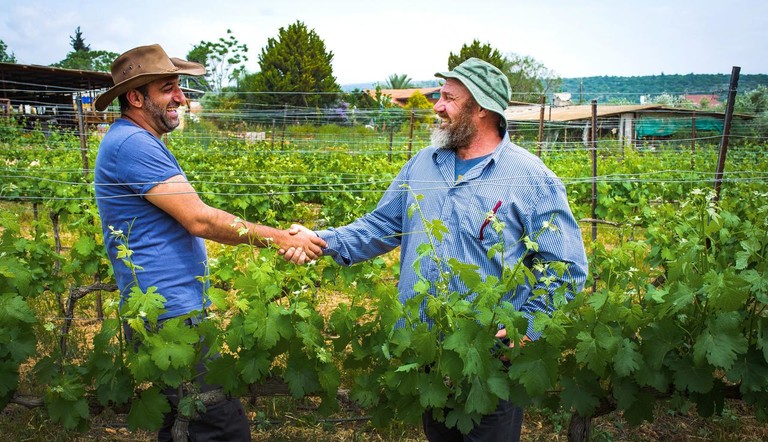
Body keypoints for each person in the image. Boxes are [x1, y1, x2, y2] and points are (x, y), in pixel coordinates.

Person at [287, 58, 588, 441]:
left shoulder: (531, 178)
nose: (437, 106)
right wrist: (321, 240)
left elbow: (566, 268)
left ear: (481, 108)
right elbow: (381, 225)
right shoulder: (423, 165)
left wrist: (525, 328)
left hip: (490, 363)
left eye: (448, 98)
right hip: (428, 356)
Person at [93, 44, 326, 441]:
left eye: (179, 88)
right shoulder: (133, 144)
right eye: (168, 89)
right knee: (222, 425)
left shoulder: (137, 140)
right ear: (135, 97)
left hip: (168, 308)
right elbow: (199, 219)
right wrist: (277, 238)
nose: (181, 98)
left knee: (181, 423)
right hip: (169, 314)